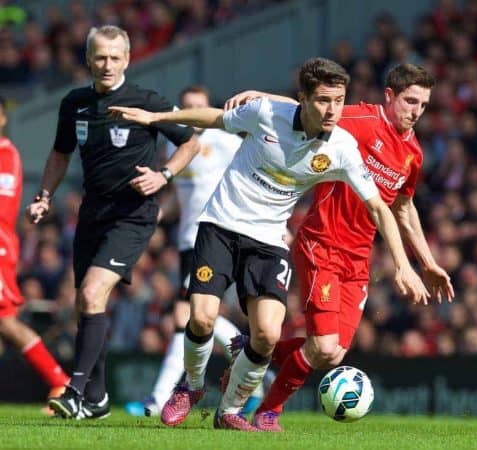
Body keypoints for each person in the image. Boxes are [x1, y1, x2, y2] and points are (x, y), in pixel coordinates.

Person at [110, 57, 430, 431]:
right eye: (324, 101)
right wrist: (156, 119)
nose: (332, 111)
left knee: (267, 335)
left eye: (339, 101)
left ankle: (229, 412)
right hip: (222, 224)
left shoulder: (342, 147)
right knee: (201, 316)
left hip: (268, 239)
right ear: (304, 100)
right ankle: (192, 386)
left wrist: (406, 264)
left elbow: (380, 206)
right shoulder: (266, 114)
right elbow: (213, 118)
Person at [223, 63, 455, 431]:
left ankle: (249, 352)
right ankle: (268, 412)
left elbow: (404, 208)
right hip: (322, 243)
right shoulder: (360, 119)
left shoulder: (413, 153)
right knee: (324, 346)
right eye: (410, 101)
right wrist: (262, 97)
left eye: (424, 105)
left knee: (333, 354)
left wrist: (426, 262)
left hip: (359, 259)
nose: (416, 111)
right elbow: (310, 110)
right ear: (390, 95)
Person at [26, 25, 198, 420]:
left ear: (127, 58)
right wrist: (44, 197)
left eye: (114, 57)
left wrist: (164, 175)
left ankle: (74, 391)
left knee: (91, 293)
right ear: (88, 60)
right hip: (93, 213)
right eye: (99, 57)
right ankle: (98, 398)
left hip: (133, 215)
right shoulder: (75, 103)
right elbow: (59, 153)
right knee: (88, 304)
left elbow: (190, 142)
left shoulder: (145, 101)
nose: (107, 65)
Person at [127, 85, 261, 417]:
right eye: (187, 105)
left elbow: (252, 179)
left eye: (198, 106)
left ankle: (159, 398)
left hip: (214, 238)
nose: (192, 111)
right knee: (195, 318)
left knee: (183, 317)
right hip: (188, 241)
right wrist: (156, 217)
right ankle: (255, 370)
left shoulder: (227, 142)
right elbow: (179, 196)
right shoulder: (178, 148)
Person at [0, 96, 70, 415]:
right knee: (5, 324)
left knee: (7, 324)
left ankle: (61, 382)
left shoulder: (6, 155)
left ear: (3, 119)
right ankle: (59, 381)